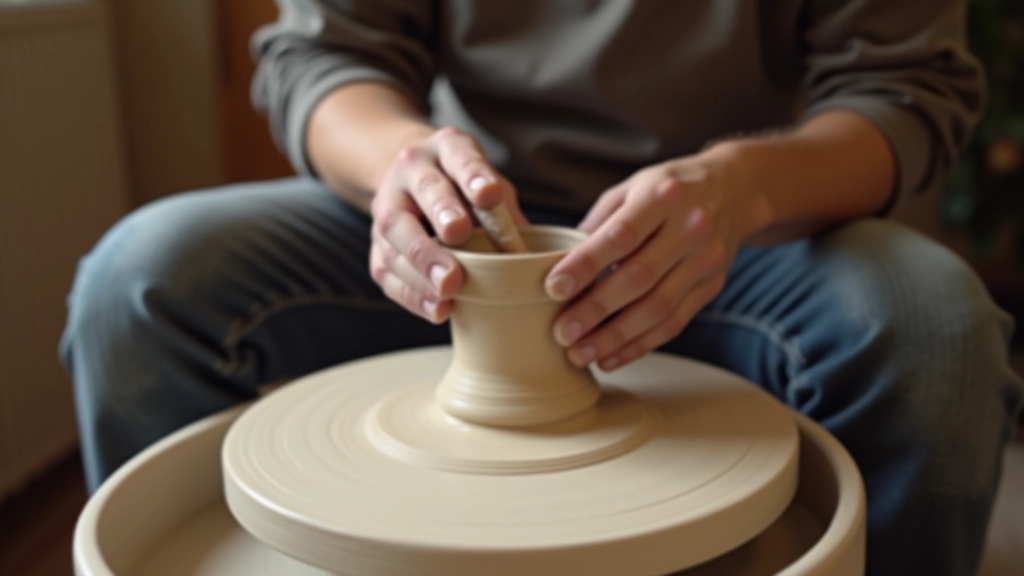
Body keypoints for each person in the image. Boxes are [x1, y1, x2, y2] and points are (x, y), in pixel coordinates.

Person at [61, 1, 1022, 574]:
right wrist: (402, 165)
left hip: (736, 228)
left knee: (933, 331)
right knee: (140, 284)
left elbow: (904, 93)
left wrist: (738, 189)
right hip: (469, 220)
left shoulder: (737, 204)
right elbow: (324, 54)